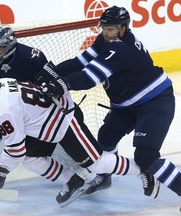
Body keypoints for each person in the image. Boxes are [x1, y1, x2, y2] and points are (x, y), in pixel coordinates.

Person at [35, 5, 181, 198]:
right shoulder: (107, 40)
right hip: (127, 105)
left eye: (110, 29)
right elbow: (80, 62)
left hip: (154, 102)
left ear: (123, 28)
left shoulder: (121, 49)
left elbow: (89, 77)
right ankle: (104, 177)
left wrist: (63, 83)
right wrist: (53, 71)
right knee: (105, 140)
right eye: (103, 28)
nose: (105, 33)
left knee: (145, 156)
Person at [0, 68, 157, 205]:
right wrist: (1, 168)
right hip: (47, 125)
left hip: (64, 123)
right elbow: (19, 145)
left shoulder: (3, 110)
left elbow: (15, 149)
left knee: (97, 163)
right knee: (29, 157)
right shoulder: (4, 82)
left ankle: (143, 170)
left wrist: (0, 170)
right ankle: (72, 180)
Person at [0, 25, 90, 206]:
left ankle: (89, 169)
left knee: (54, 141)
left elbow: (51, 82)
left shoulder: (32, 57)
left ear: (9, 48)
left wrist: (68, 109)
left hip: (30, 111)